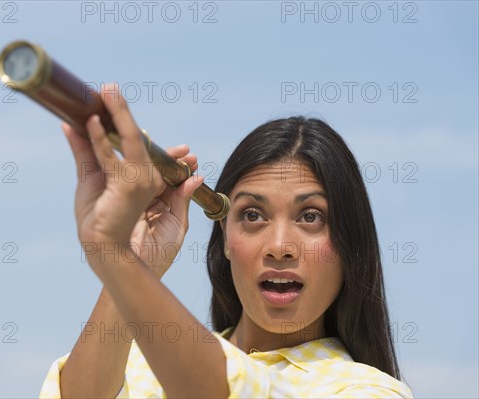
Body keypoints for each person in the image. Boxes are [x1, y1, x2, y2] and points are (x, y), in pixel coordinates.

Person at [39, 83, 413, 398]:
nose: (279, 245)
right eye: (252, 215)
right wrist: (132, 258)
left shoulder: (369, 390)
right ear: (226, 237)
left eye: (310, 217)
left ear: (350, 244)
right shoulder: (138, 365)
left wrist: (117, 260)